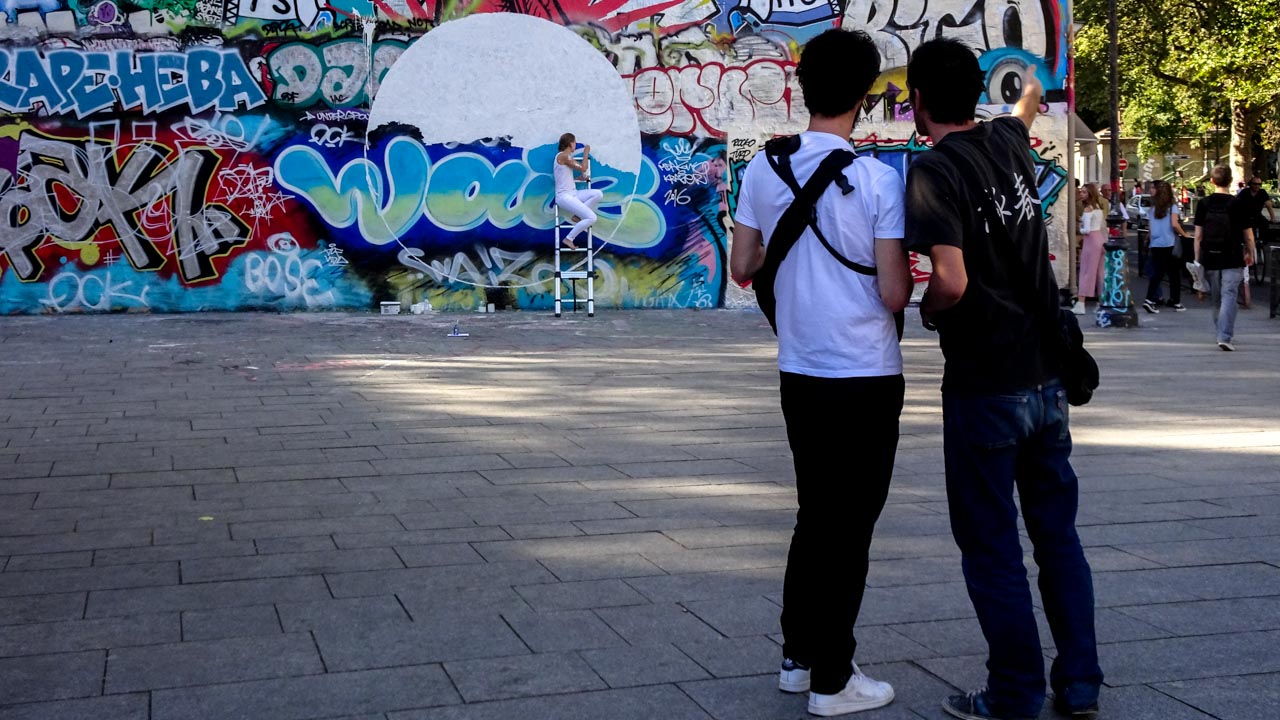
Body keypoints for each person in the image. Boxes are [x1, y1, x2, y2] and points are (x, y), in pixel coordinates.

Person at [903, 39, 1103, 720]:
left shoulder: (933, 171)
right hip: (1047, 376)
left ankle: (1015, 692)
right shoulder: (1009, 141)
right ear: (977, 95)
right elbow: (1029, 101)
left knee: (992, 547)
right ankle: (1080, 684)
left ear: (917, 100)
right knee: (1057, 537)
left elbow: (951, 280)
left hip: (985, 382)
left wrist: (927, 310)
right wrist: (1026, 86)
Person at [729, 27, 912, 718]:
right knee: (850, 525)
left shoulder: (763, 168)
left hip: (799, 366)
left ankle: (798, 657)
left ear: (803, 88)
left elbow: (742, 267)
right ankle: (834, 680)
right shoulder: (877, 179)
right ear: (864, 95)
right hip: (865, 371)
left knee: (816, 513)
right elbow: (893, 294)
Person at [1195, 166, 1255, 350]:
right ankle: (1224, 336)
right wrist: (1250, 252)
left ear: (1212, 181)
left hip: (1211, 256)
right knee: (1229, 295)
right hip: (1232, 255)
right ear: (1230, 181)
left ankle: (1220, 333)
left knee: (1216, 298)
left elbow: (1198, 236)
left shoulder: (1203, 203)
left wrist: (1197, 260)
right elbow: (1248, 235)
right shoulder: (1238, 204)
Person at [1142, 181, 1192, 313]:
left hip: (1156, 243)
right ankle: (1173, 300)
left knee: (1158, 272)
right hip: (1169, 243)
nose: (1150, 190)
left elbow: (1150, 228)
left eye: (1153, 188)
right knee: (1173, 274)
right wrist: (1184, 234)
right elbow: (1174, 224)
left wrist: (1147, 239)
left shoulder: (1152, 209)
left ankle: (1152, 299)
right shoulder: (1172, 207)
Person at [553, 133, 603, 250]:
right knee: (592, 218)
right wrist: (585, 153)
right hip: (564, 197)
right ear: (570, 143)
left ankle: (577, 216)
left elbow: (564, 176)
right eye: (574, 142)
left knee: (598, 194)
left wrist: (579, 178)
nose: (575, 145)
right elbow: (583, 168)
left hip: (573, 194)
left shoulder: (566, 157)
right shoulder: (563, 156)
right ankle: (569, 238)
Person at [1235, 176, 1274, 307]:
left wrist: (1273, 217)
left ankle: (1263, 241)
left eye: (1259, 184)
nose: (1257, 186)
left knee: (1265, 224)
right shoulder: (1245, 193)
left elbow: (1268, 205)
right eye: (1255, 184)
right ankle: (1246, 247)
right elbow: (1237, 203)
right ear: (1250, 184)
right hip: (1246, 216)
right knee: (1244, 232)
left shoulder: (1262, 193)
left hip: (1257, 216)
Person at [1077, 183, 1107, 308]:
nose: (1081, 194)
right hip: (1100, 239)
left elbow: (1087, 230)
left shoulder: (1088, 209)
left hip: (1091, 240)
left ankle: (1081, 302)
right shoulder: (1098, 208)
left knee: (1086, 270)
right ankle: (1103, 300)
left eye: (1084, 192)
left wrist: (1080, 227)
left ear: (1090, 194)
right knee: (1100, 272)